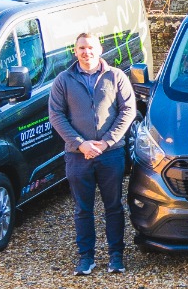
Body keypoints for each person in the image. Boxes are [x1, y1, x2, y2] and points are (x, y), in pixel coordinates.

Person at [48, 32, 137, 275]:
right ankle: (86, 257)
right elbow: (56, 115)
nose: (86, 52)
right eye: (81, 48)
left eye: (90, 47)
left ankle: (116, 256)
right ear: (75, 52)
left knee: (114, 206)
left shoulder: (116, 76)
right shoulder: (63, 80)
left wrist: (106, 142)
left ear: (100, 49)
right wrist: (80, 143)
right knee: (82, 209)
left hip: (111, 154)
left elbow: (128, 110)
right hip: (77, 156)